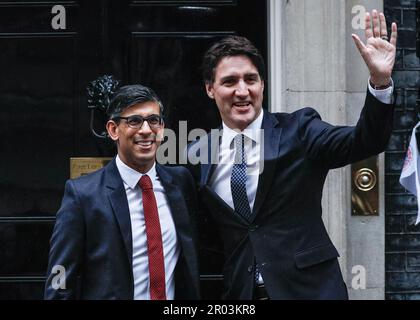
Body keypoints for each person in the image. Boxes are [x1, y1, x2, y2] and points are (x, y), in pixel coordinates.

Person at [187, 10, 397, 299]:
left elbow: (364, 141)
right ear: (210, 89)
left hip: (310, 290)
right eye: (229, 81)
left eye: (251, 79)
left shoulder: (300, 129)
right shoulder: (197, 152)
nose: (242, 90)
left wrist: (380, 82)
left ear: (262, 84)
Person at [45, 84, 200, 300]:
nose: (146, 130)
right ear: (113, 130)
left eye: (153, 120)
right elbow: (59, 280)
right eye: (134, 121)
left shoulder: (181, 183)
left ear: (162, 127)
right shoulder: (82, 195)